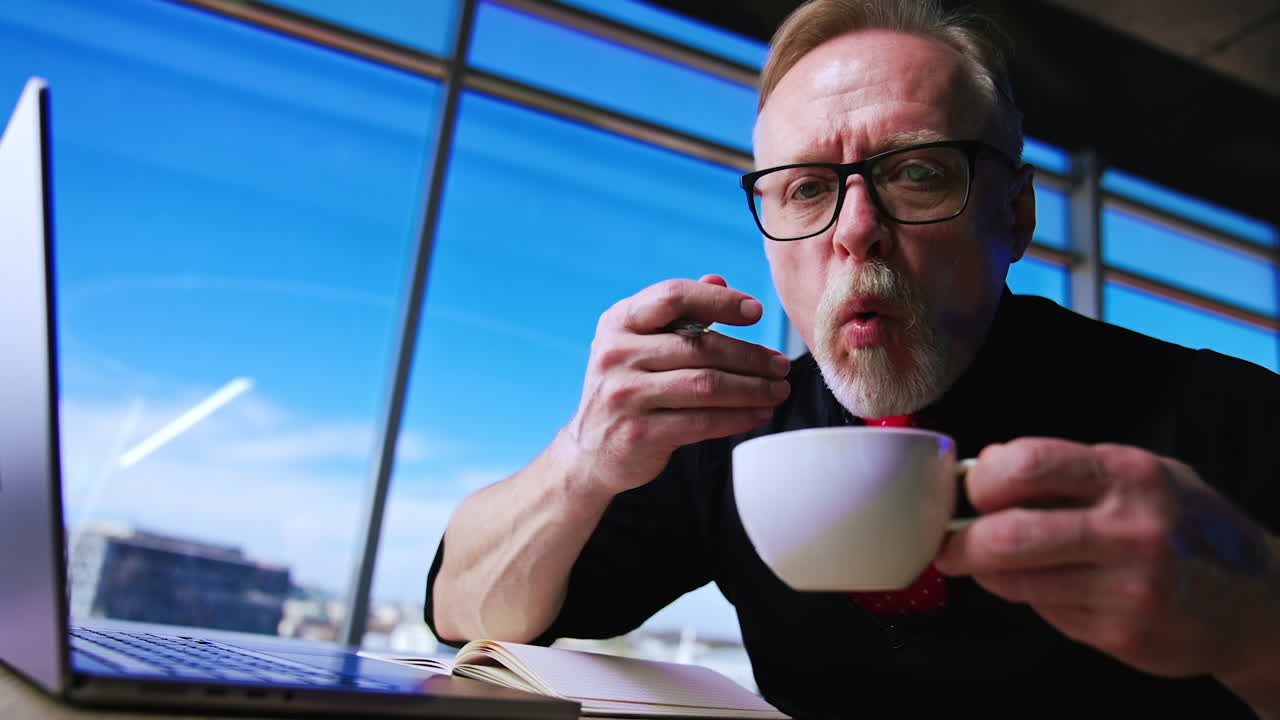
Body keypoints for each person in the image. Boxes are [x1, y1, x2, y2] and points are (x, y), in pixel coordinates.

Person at [424, 0, 1280, 717]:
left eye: (917, 173)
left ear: (1014, 217)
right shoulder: (728, 430)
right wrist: (582, 459)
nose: (854, 229)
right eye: (805, 188)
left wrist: (1256, 623)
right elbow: (463, 612)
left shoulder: (1216, 413)